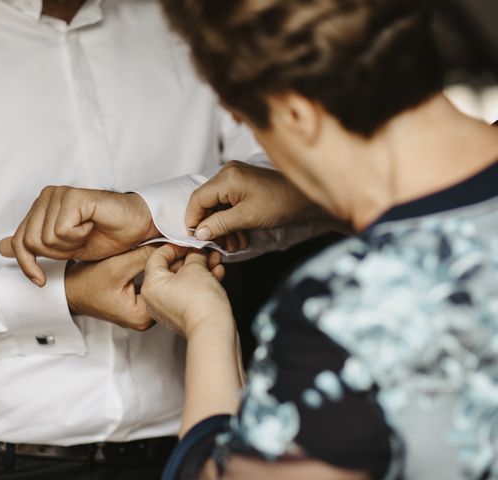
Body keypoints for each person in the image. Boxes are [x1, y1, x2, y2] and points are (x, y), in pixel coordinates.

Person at [0, 1, 327, 478]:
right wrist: (64, 295)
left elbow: (320, 184)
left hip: (178, 450)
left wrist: (150, 213)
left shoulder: (190, 16)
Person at [137, 0, 498, 478]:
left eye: (254, 123)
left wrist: (207, 328)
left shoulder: (348, 308)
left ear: (296, 114)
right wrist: (307, 202)